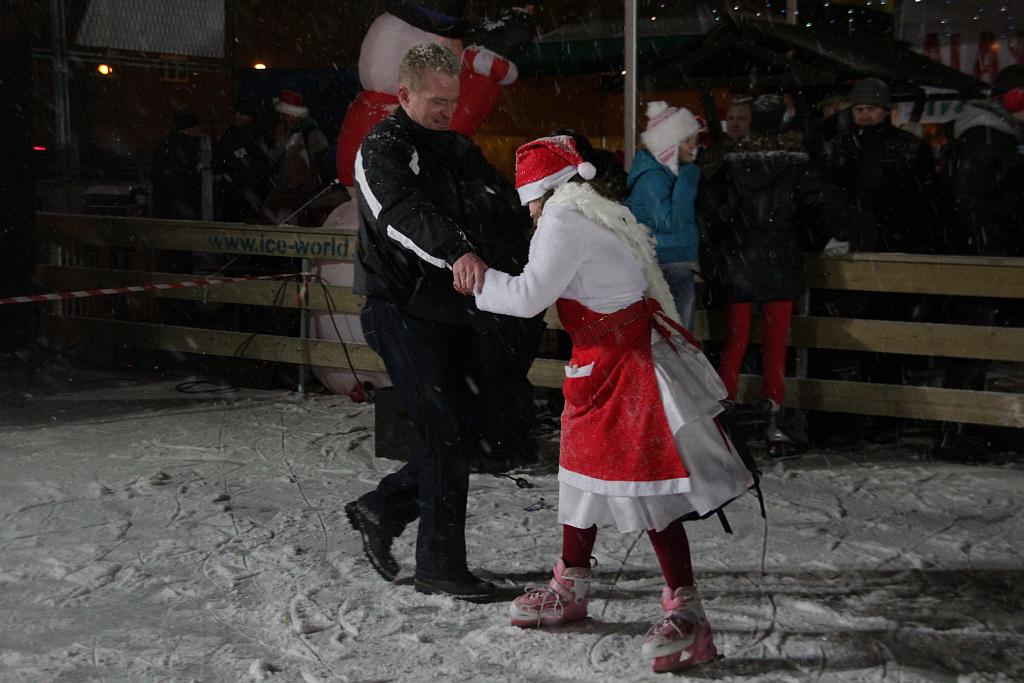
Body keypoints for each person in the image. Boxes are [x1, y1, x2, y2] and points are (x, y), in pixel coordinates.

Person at [473, 135, 753, 674]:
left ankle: (687, 611)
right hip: (608, 362)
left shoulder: (562, 220)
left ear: (541, 191)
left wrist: (478, 282)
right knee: (581, 477)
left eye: (527, 199)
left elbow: (528, 298)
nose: (527, 212)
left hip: (622, 369)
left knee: (646, 487)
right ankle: (570, 584)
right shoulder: (592, 211)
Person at [344, 43, 534, 602]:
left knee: (465, 433)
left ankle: (382, 507)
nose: (446, 111)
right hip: (399, 309)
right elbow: (402, 213)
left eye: (452, 100)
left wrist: (548, 223)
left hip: (450, 310)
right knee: (447, 435)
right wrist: (456, 251)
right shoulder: (382, 148)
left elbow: (500, 206)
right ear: (404, 95)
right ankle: (440, 565)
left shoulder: (456, 149)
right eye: (436, 101)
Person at [702, 94, 845, 457]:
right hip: (780, 257)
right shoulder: (797, 161)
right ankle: (774, 416)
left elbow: (713, 208)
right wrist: (812, 237)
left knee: (735, 340)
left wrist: (723, 241)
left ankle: (722, 412)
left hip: (739, 258)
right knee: (776, 342)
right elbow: (821, 204)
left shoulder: (729, 160)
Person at [935, 64, 1024, 458]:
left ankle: (970, 425)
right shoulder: (986, 138)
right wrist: (992, 242)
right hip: (982, 259)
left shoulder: (994, 137)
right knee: (974, 342)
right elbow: (969, 203)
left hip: (986, 255)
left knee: (980, 343)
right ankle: (960, 429)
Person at [625, 101, 704, 330]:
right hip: (667, 263)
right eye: (687, 140)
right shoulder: (654, 177)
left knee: (674, 336)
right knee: (677, 336)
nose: (694, 147)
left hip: (671, 262)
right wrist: (688, 179)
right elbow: (669, 221)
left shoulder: (663, 175)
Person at [263, 90, 329, 226]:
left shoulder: (311, 134)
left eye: (285, 115)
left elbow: (321, 165)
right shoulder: (282, 133)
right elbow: (274, 160)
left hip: (304, 194)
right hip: (287, 191)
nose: (282, 118)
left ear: (294, 115)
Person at [213, 98, 272, 224]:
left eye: (241, 114)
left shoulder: (256, 136)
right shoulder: (231, 134)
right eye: (236, 113)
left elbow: (256, 166)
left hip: (248, 193)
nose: (237, 117)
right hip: (234, 193)